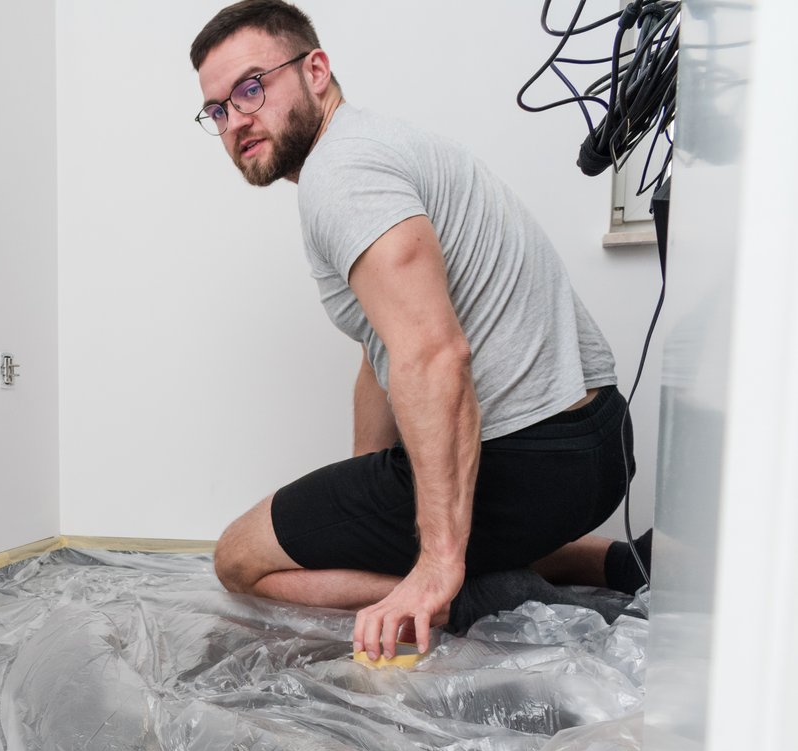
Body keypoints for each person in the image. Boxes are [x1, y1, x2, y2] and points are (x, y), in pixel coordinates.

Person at [190, 1, 651, 660]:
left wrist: (436, 566)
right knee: (405, 506)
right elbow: (378, 352)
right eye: (218, 109)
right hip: (598, 442)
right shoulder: (369, 146)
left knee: (238, 559)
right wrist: (357, 502)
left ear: (315, 70)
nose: (237, 120)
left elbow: (433, 356)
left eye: (251, 88)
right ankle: (619, 565)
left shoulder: (341, 176)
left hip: (534, 462)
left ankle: (474, 600)